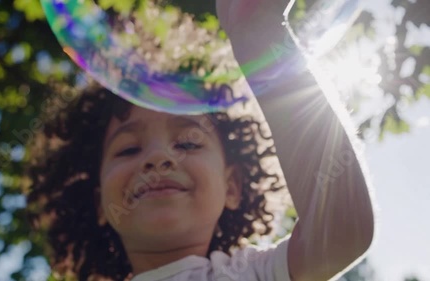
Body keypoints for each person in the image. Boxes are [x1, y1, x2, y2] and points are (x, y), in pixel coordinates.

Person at [26, 0, 375, 280]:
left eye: (188, 143)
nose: (159, 158)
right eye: (129, 148)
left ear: (233, 185)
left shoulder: (251, 274)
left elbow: (343, 232)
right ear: (100, 204)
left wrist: (260, 36)